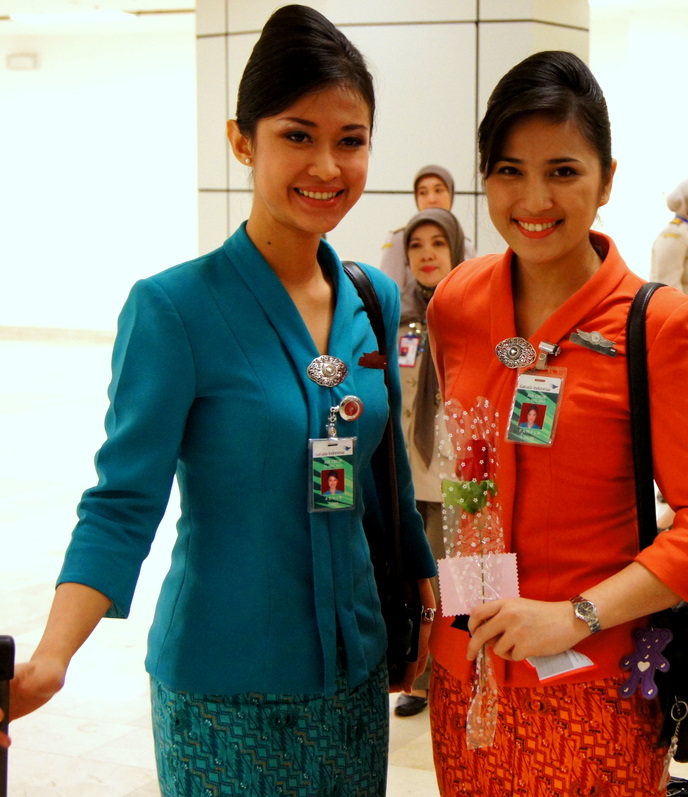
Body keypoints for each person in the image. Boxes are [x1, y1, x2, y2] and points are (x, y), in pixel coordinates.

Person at [0, 6, 438, 794]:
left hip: (355, 672)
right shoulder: (175, 308)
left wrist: (422, 592)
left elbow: (386, 478)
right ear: (243, 140)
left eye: (351, 140)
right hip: (224, 686)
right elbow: (121, 502)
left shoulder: (370, 297)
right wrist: (52, 657)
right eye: (297, 136)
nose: (328, 167)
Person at [425, 50, 688, 795]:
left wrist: (576, 614)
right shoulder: (457, 303)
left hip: (594, 684)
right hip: (466, 671)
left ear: (607, 179)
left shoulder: (659, 325)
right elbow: (464, 472)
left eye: (563, 171)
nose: (533, 197)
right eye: (509, 170)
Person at [392, 207, 468, 719]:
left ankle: (463, 669)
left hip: (461, 470)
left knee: (463, 573)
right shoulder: (396, 317)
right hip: (411, 469)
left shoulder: (474, 314)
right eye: (416, 245)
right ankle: (418, 675)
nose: (426, 254)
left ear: (456, 250)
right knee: (417, 575)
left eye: (437, 244)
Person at [379, 164, 477, 299]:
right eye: (423, 193)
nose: (431, 199)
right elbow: (389, 291)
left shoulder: (465, 243)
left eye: (439, 190)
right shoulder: (399, 238)